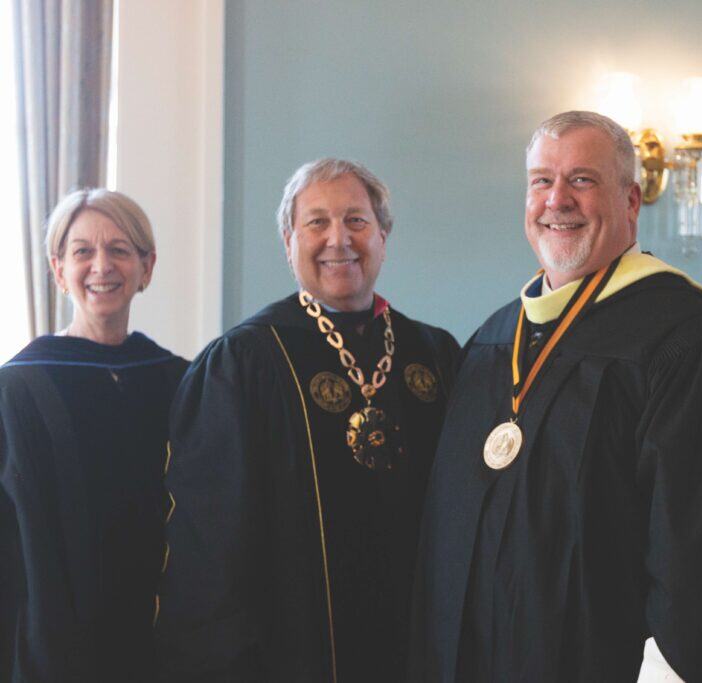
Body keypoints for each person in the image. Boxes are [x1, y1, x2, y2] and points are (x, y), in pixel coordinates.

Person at [410, 111, 702, 682]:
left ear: (631, 201)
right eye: (541, 181)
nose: (557, 200)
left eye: (582, 180)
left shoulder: (684, 341)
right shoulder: (492, 341)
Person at [156, 158, 460, 682]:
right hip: (289, 656)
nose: (338, 239)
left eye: (357, 221)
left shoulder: (433, 355)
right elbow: (208, 547)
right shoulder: (243, 362)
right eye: (317, 222)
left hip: (419, 648)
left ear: (383, 237)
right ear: (288, 242)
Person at [0, 189, 188, 681]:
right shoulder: (19, 387)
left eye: (119, 249)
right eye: (82, 251)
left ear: (146, 267)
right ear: (59, 270)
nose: (101, 266)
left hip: (162, 639)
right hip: (57, 643)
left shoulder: (179, 381)